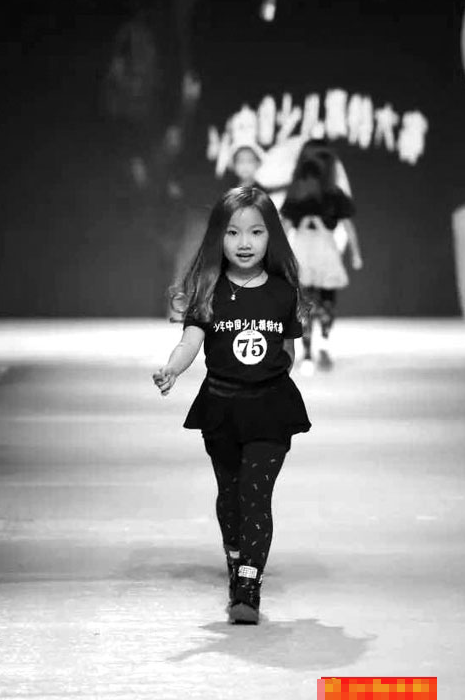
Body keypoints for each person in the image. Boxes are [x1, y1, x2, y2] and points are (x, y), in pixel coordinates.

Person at [153, 186, 311, 625]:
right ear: (217, 238)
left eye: (256, 232)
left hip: (270, 410)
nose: (245, 243)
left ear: (271, 236)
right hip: (221, 409)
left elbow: (287, 351)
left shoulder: (283, 293)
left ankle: (247, 584)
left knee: (255, 495)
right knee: (230, 495)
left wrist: (269, 379)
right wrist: (172, 369)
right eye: (233, 232)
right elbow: (190, 341)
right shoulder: (208, 290)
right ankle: (236, 555)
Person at [281, 139, 363, 374]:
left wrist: (356, 253)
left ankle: (324, 344)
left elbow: (348, 225)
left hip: (324, 249)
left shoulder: (333, 194)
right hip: (305, 250)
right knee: (306, 304)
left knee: (326, 300)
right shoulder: (296, 194)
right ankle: (308, 352)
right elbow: (285, 226)